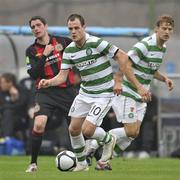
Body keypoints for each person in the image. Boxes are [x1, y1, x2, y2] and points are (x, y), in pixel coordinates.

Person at [39, 13, 128, 171]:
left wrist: (118, 80)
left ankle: (108, 139)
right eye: (70, 29)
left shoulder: (96, 42)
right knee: (73, 129)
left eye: (76, 28)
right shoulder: (69, 50)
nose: (73, 31)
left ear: (84, 28)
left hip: (104, 93)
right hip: (85, 93)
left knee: (87, 130)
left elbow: (122, 56)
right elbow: (62, 77)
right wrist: (49, 82)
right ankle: (81, 164)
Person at [86, 14, 175, 163]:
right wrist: (119, 81)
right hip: (129, 91)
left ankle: (103, 161)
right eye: (164, 28)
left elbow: (150, 69)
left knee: (133, 134)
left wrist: (165, 79)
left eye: (170, 29)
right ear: (157, 29)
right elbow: (125, 62)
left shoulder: (162, 48)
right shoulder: (145, 45)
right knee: (130, 131)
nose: (167, 31)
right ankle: (94, 143)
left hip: (141, 94)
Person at [25, 16, 77, 173]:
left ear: (46, 26)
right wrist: (45, 55)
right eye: (33, 27)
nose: (36, 28)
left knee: (77, 128)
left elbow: (78, 57)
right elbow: (33, 74)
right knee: (39, 124)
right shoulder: (31, 50)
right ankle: (33, 163)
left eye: (38, 25)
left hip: (66, 91)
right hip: (45, 92)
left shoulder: (63, 42)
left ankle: (96, 159)